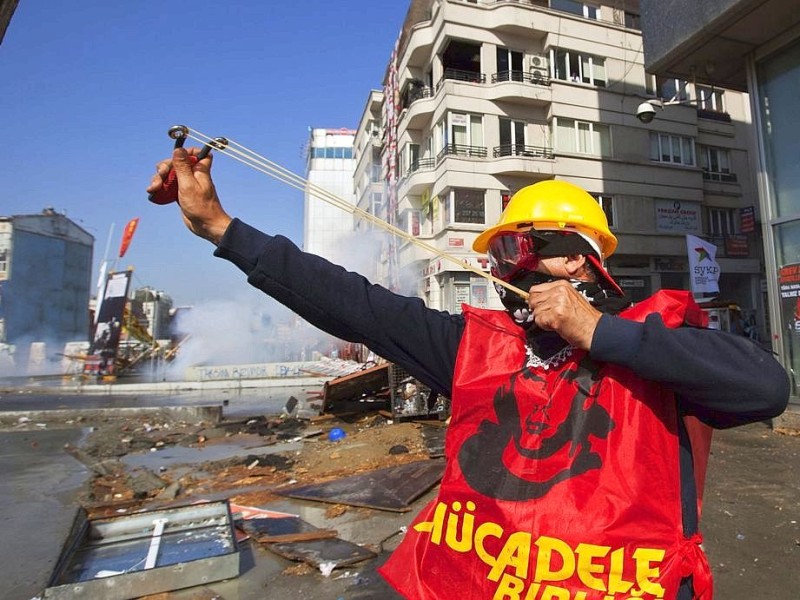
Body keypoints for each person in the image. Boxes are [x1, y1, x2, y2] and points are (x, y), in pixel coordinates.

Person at [148, 147, 789, 600]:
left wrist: (600, 333)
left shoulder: (659, 342)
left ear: (580, 262)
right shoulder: (481, 347)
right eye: (499, 257)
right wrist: (222, 229)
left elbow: (765, 388)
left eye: (519, 250)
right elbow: (354, 304)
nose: (506, 272)